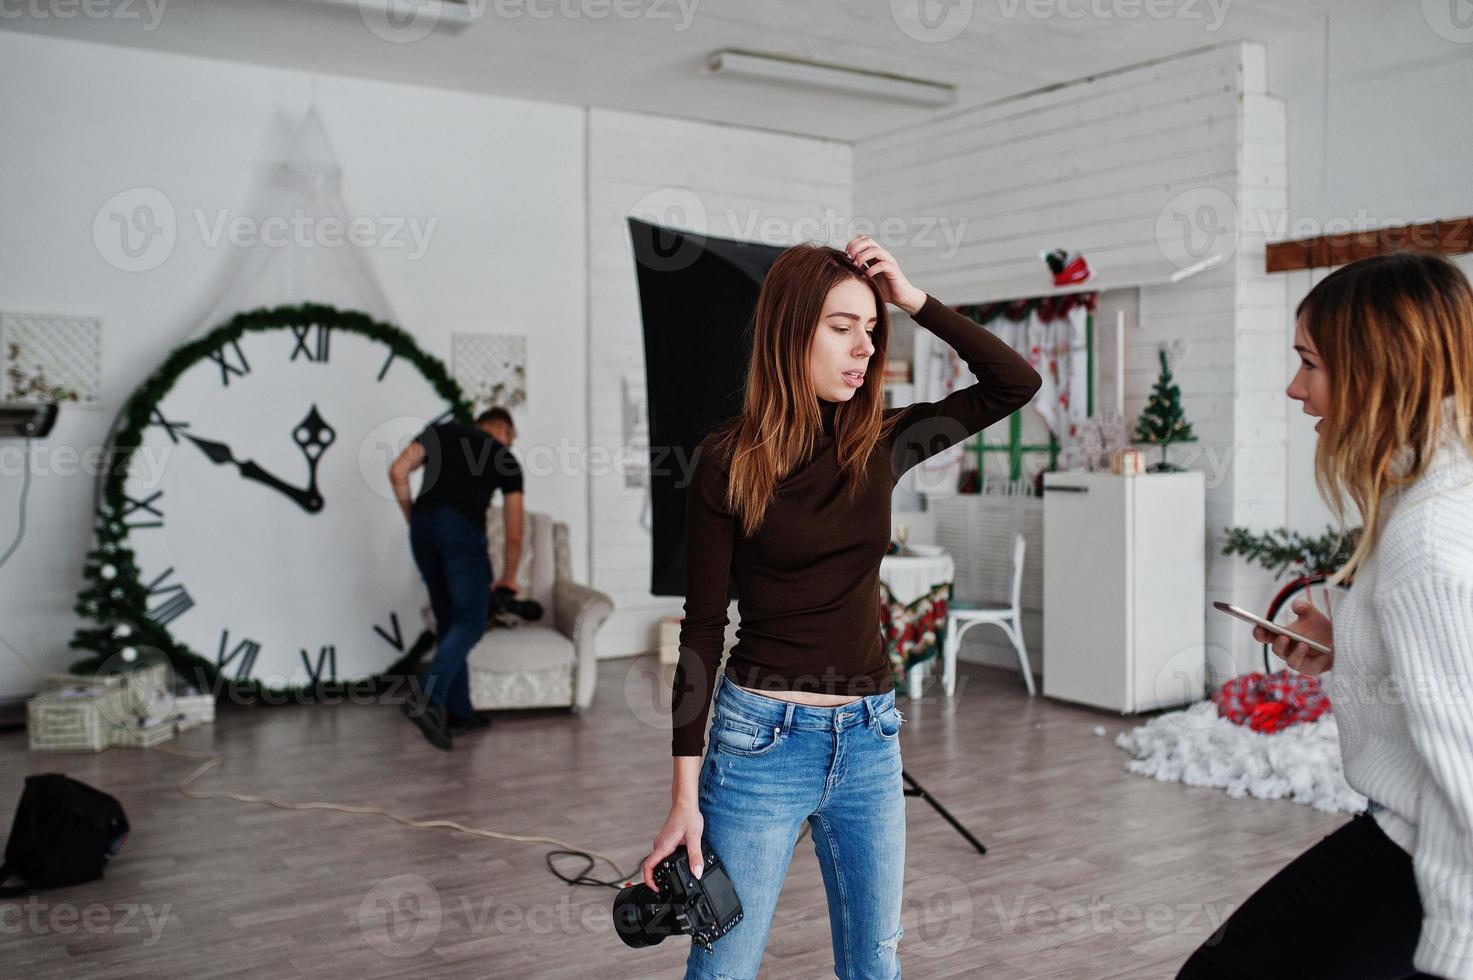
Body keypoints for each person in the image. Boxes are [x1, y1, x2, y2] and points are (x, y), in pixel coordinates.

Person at [640, 235, 1043, 979]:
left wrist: (912, 299)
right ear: (790, 331)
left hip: (869, 739)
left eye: (870, 330)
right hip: (761, 744)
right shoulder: (726, 461)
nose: (863, 349)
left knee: (874, 968)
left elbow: (1013, 382)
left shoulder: (884, 442)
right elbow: (700, 631)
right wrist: (682, 797)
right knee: (722, 968)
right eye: (840, 327)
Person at [1178, 252, 1473, 980]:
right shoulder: (1439, 489)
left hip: (1422, 858)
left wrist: (1453, 950)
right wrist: (1355, 640)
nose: (1292, 387)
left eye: (1309, 363)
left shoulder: (1426, 534)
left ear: (1377, 369)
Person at [388, 406, 525, 750]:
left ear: (478, 424)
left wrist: (414, 519)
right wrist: (509, 577)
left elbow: (398, 471)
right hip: (461, 532)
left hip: (423, 529)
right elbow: (514, 533)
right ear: (506, 433)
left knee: (450, 622)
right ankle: (427, 698)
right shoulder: (505, 459)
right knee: (471, 621)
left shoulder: (445, 431)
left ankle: (460, 712)